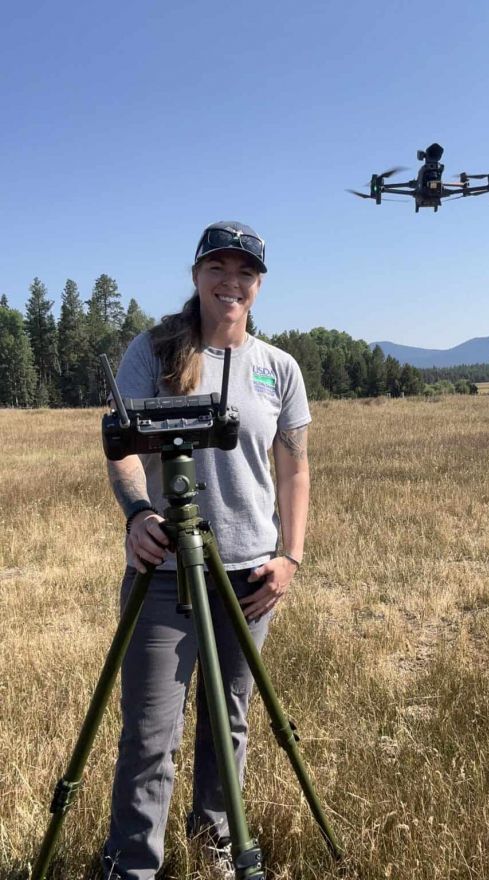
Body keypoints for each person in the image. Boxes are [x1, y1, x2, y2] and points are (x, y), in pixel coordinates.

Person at [102, 221, 311, 880]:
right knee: (149, 733)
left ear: (259, 283)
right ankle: (134, 864)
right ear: (196, 275)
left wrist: (291, 557)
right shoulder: (157, 350)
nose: (231, 281)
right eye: (218, 268)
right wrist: (138, 513)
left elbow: (295, 469)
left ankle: (217, 843)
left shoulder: (279, 369)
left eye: (244, 271)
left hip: (250, 574)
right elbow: (123, 450)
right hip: (163, 573)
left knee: (230, 724)